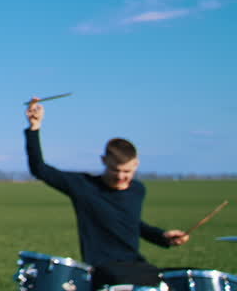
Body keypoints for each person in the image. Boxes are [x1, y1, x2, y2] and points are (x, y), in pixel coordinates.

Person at [24, 98, 189, 288]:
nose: (121, 176)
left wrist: (163, 236)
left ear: (136, 164)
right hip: (104, 271)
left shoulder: (138, 190)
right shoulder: (84, 186)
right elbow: (40, 169)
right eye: (115, 170)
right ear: (104, 161)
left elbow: (131, 224)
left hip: (137, 265)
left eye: (127, 172)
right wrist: (34, 128)